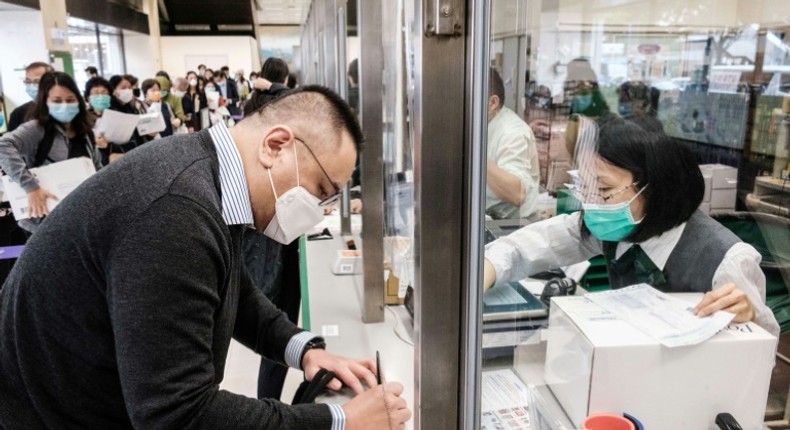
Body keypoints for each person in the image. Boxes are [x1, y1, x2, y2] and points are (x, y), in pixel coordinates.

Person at [0, 85, 411, 429]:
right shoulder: (175, 211)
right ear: (276, 146)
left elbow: (234, 289)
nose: (318, 209)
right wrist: (339, 420)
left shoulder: (205, 175)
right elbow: (178, 413)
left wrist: (304, 350)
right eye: (320, 190)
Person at [483, 115, 780, 337]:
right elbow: (532, 244)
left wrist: (748, 314)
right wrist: (484, 268)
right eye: (584, 187)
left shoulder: (725, 258)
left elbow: (764, 342)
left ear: (653, 186)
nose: (591, 204)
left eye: (602, 188)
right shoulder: (615, 226)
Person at [0, 71, 102, 232]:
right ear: (45, 102)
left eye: (70, 100)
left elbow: (97, 169)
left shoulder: (85, 132)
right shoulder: (37, 129)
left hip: (81, 216)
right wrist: (31, 187)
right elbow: (3, 146)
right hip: (46, 222)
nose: (64, 105)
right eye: (56, 101)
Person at [485, 68, 540, 220]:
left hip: (513, 225)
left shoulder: (512, 133)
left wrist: (475, 154)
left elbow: (517, 193)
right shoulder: (484, 125)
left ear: (492, 103)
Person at [8, 62, 53, 132]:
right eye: (28, 81)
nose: (32, 86)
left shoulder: (60, 110)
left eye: (37, 81)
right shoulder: (18, 113)